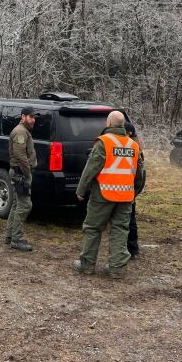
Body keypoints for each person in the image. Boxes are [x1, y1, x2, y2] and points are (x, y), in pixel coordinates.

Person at [73, 111, 146, 278]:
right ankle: (117, 269)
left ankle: (87, 265)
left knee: (92, 228)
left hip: (103, 194)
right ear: (122, 125)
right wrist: (135, 191)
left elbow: (91, 167)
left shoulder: (104, 142)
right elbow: (140, 173)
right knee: (120, 230)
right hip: (126, 196)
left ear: (108, 123)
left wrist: (81, 190)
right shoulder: (133, 146)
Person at [5, 106, 38, 252]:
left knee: (16, 204)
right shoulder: (20, 132)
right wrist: (27, 173)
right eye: (31, 117)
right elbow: (20, 156)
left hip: (19, 173)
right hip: (20, 174)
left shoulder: (24, 131)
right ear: (23, 116)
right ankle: (16, 239)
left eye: (34, 117)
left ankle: (10, 235)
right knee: (25, 205)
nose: (33, 120)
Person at [124, 121, 146, 257]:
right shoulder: (136, 146)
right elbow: (140, 175)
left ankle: (130, 248)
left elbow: (139, 174)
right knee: (130, 219)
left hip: (126, 190)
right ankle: (133, 247)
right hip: (131, 190)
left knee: (128, 220)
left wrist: (134, 191)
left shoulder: (131, 146)